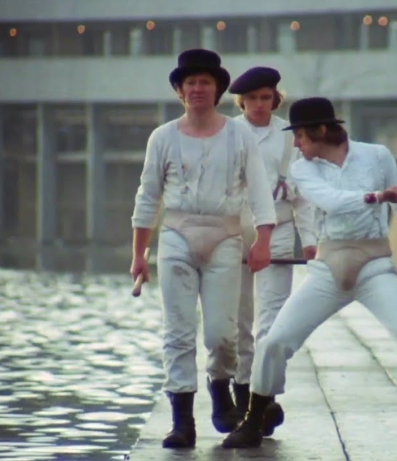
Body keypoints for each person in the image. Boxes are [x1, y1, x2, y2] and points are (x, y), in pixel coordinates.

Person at [221, 97, 397, 451]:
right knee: (274, 342)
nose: (296, 143)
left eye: (300, 135)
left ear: (321, 130)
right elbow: (331, 200)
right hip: (328, 269)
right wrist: (378, 196)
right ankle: (253, 421)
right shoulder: (302, 169)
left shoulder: (377, 156)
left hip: (374, 266)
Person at [130, 49, 277, 449]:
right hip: (177, 235)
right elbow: (148, 196)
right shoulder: (163, 137)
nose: (197, 88)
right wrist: (139, 254)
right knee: (178, 332)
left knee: (221, 333)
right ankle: (182, 422)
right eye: (190, 82)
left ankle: (219, 385)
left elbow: (260, 191)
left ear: (218, 89)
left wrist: (263, 240)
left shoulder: (239, 134)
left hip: (225, 236)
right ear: (180, 90)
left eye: (205, 82)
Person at [227, 66, 318, 435]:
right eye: (252, 98)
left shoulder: (288, 136)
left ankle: (264, 397)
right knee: (238, 321)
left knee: (272, 322)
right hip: (234, 232)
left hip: (278, 230)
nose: (259, 104)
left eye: (266, 97)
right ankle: (242, 389)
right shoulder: (227, 132)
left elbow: (303, 196)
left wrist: (309, 240)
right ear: (242, 101)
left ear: (275, 98)